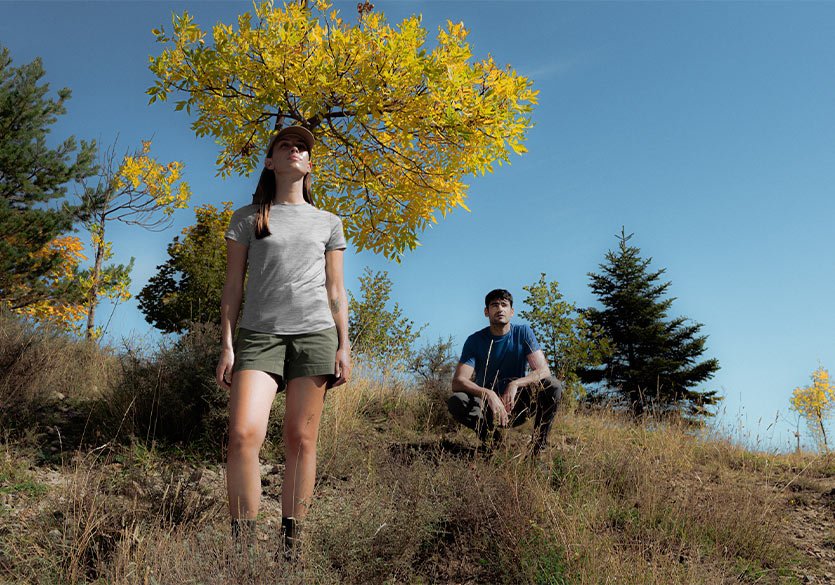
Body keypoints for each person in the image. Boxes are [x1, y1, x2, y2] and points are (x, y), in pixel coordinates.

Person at [215, 124, 351, 560]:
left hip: (314, 335)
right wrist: (228, 345)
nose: (296, 150)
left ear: (309, 165)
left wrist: (344, 345)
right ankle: (243, 549)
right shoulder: (248, 216)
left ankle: (291, 544)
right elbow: (233, 286)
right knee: (241, 435)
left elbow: (335, 290)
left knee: (300, 439)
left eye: (302, 148)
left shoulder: (329, 222)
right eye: (286, 145)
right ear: (270, 161)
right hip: (258, 335)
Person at [448, 289, 562, 456]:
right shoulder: (475, 340)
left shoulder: (523, 332)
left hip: (516, 405)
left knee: (553, 386)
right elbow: (458, 381)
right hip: (486, 409)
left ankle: (538, 451)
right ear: (486, 312)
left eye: (504, 305)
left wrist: (515, 383)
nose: (500, 309)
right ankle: (492, 442)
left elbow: (543, 370)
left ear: (512, 311)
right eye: (494, 305)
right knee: (457, 400)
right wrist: (488, 394)